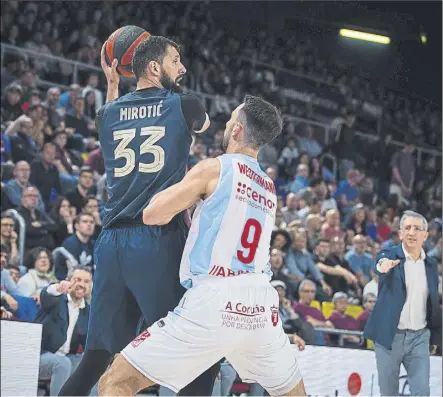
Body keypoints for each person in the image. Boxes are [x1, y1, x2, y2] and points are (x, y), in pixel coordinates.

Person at [98, 96, 306, 396]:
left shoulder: (214, 168)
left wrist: (178, 191)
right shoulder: (268, 186)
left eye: (230, 120)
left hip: (215, 298)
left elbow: (153, 214)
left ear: (236, 131)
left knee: (116, 380)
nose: (225, 125)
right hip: (261, 305)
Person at [58, 36, 215, 396]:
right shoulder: (185, 104)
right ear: (155, 68)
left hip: (111, 242)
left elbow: (116, 122)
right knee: (190, 353)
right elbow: (204, 127)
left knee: (96, 358)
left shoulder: (108, 113)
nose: (183, 68)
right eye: (176, 60)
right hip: (156, 238)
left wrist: (113, 86)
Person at [364, 211, 441, 396]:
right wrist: (382, 266)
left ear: (425, 235)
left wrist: (435, 337)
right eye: (407, 228)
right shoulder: (389, 255)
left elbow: (433, 303)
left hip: (420, 337)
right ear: (400, 234)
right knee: (389, 392)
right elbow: (379, 262)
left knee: (422, 391)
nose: (412, 232)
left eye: (417, 228)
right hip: (390, 337)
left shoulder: (431, 265)